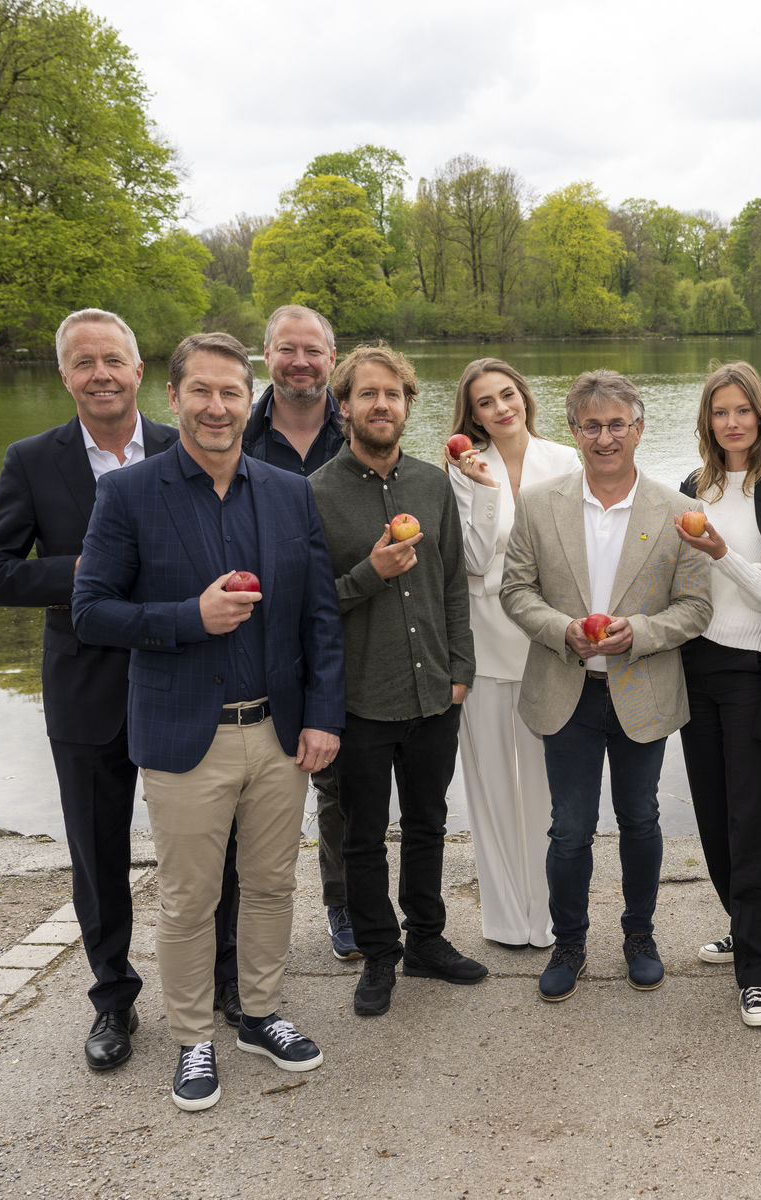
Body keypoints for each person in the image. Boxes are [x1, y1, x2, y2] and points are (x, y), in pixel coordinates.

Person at [73, 332, 344, 1112]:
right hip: (186, 735)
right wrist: (190, 616)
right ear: (174, 397)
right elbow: (92, 612)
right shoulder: (129, 494)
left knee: (268, 885)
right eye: (202, 392)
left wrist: (323, 716)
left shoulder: (290, 493)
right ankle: (193, 1036)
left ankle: (258, 1012)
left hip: (279, 733)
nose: (218, 407)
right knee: (189, 899)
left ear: (246, 397)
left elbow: (320, 618)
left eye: (231, 392)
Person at [0, 308, 180, 1073]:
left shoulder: (183, 446)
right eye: (84, 362)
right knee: (98, 851)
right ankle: (113, 999)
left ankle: (219, 976)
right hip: (85, 688)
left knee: (206, 840)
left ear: (139, 368)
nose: (101, 374)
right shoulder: (32, 460)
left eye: (113, 359)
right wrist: (81, 571)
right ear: (65, 376)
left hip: (180, 678)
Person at [499, 370, 711, 1003]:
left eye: (618, 423)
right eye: (592, 425)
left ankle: (639, 936)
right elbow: (515, 591)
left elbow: (695, 608)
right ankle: (570, 944)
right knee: (569, 828)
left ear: (639, 428)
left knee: (641, 818)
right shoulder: (539, 504)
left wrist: (638, 633)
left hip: (641, 689)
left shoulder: (681, 512)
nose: (605, 437)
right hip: (567, 689)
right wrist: (565, 629)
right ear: (573, 430)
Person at [309, 344, 484, 1018]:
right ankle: (379, 955)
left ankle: (429, 940)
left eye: (394, 395)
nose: (382, 405)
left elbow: (451, 585)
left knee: (429, 823)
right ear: (344, 405)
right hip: (361, 698)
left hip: (435, 693)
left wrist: (460, 671)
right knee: (360, 835)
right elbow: (310, 606)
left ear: (408, 405)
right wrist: (368, 574)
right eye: (368, 394)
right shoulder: (315, 494)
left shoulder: (433, 485)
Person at [675, 362, 761, 1028]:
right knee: (711, 813)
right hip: (692, 666)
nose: (732, 422)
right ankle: (744, 921)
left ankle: (759, 972)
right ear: (707, 421)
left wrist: (721, 548)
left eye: (743, 410)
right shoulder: (689, 488)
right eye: (720, 412)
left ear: (760, 415)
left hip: (752, 667)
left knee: (752, 818)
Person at [445, 358, 580, 950]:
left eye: (507, 395)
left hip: (551, 644)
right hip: (487, 645)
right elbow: (474, 561)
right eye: (485, 403)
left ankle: (548, 915)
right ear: (471, 415)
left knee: (547, 791)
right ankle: (504, 919)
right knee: (493, 786)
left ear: (524, 395)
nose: (501, 408)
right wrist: (483, 489)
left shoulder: (567, 460)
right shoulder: (462, 468)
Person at [242, 303, 354, 966]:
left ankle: (339, 904)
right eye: (287, 349)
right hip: (255, 633)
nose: (301, 362)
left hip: (344, 626)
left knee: (339, 786)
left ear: (331, 359)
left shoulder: (362, 424)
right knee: (251, 783)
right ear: (266, 357)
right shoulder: (235, 429)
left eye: (313, 350)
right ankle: (249, 919)